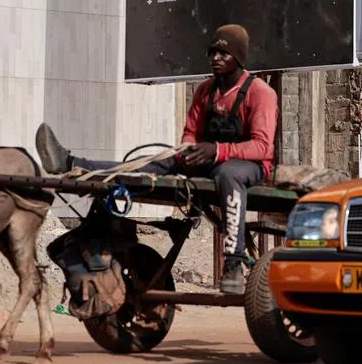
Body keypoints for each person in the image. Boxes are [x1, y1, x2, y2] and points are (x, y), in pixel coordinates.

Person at [36, 23, 277, 295]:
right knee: (148, 165)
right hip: (208, 161)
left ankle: (233, 263)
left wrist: (217, 151)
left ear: (239, 58)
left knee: (228, 174)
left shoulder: (260, 93)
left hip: (246, 167)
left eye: (223, 54)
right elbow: (191, 133)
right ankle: (69, 163)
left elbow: (262, 147)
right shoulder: (205, 91)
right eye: (212, 53)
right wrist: (188, 151)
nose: (215, 59)